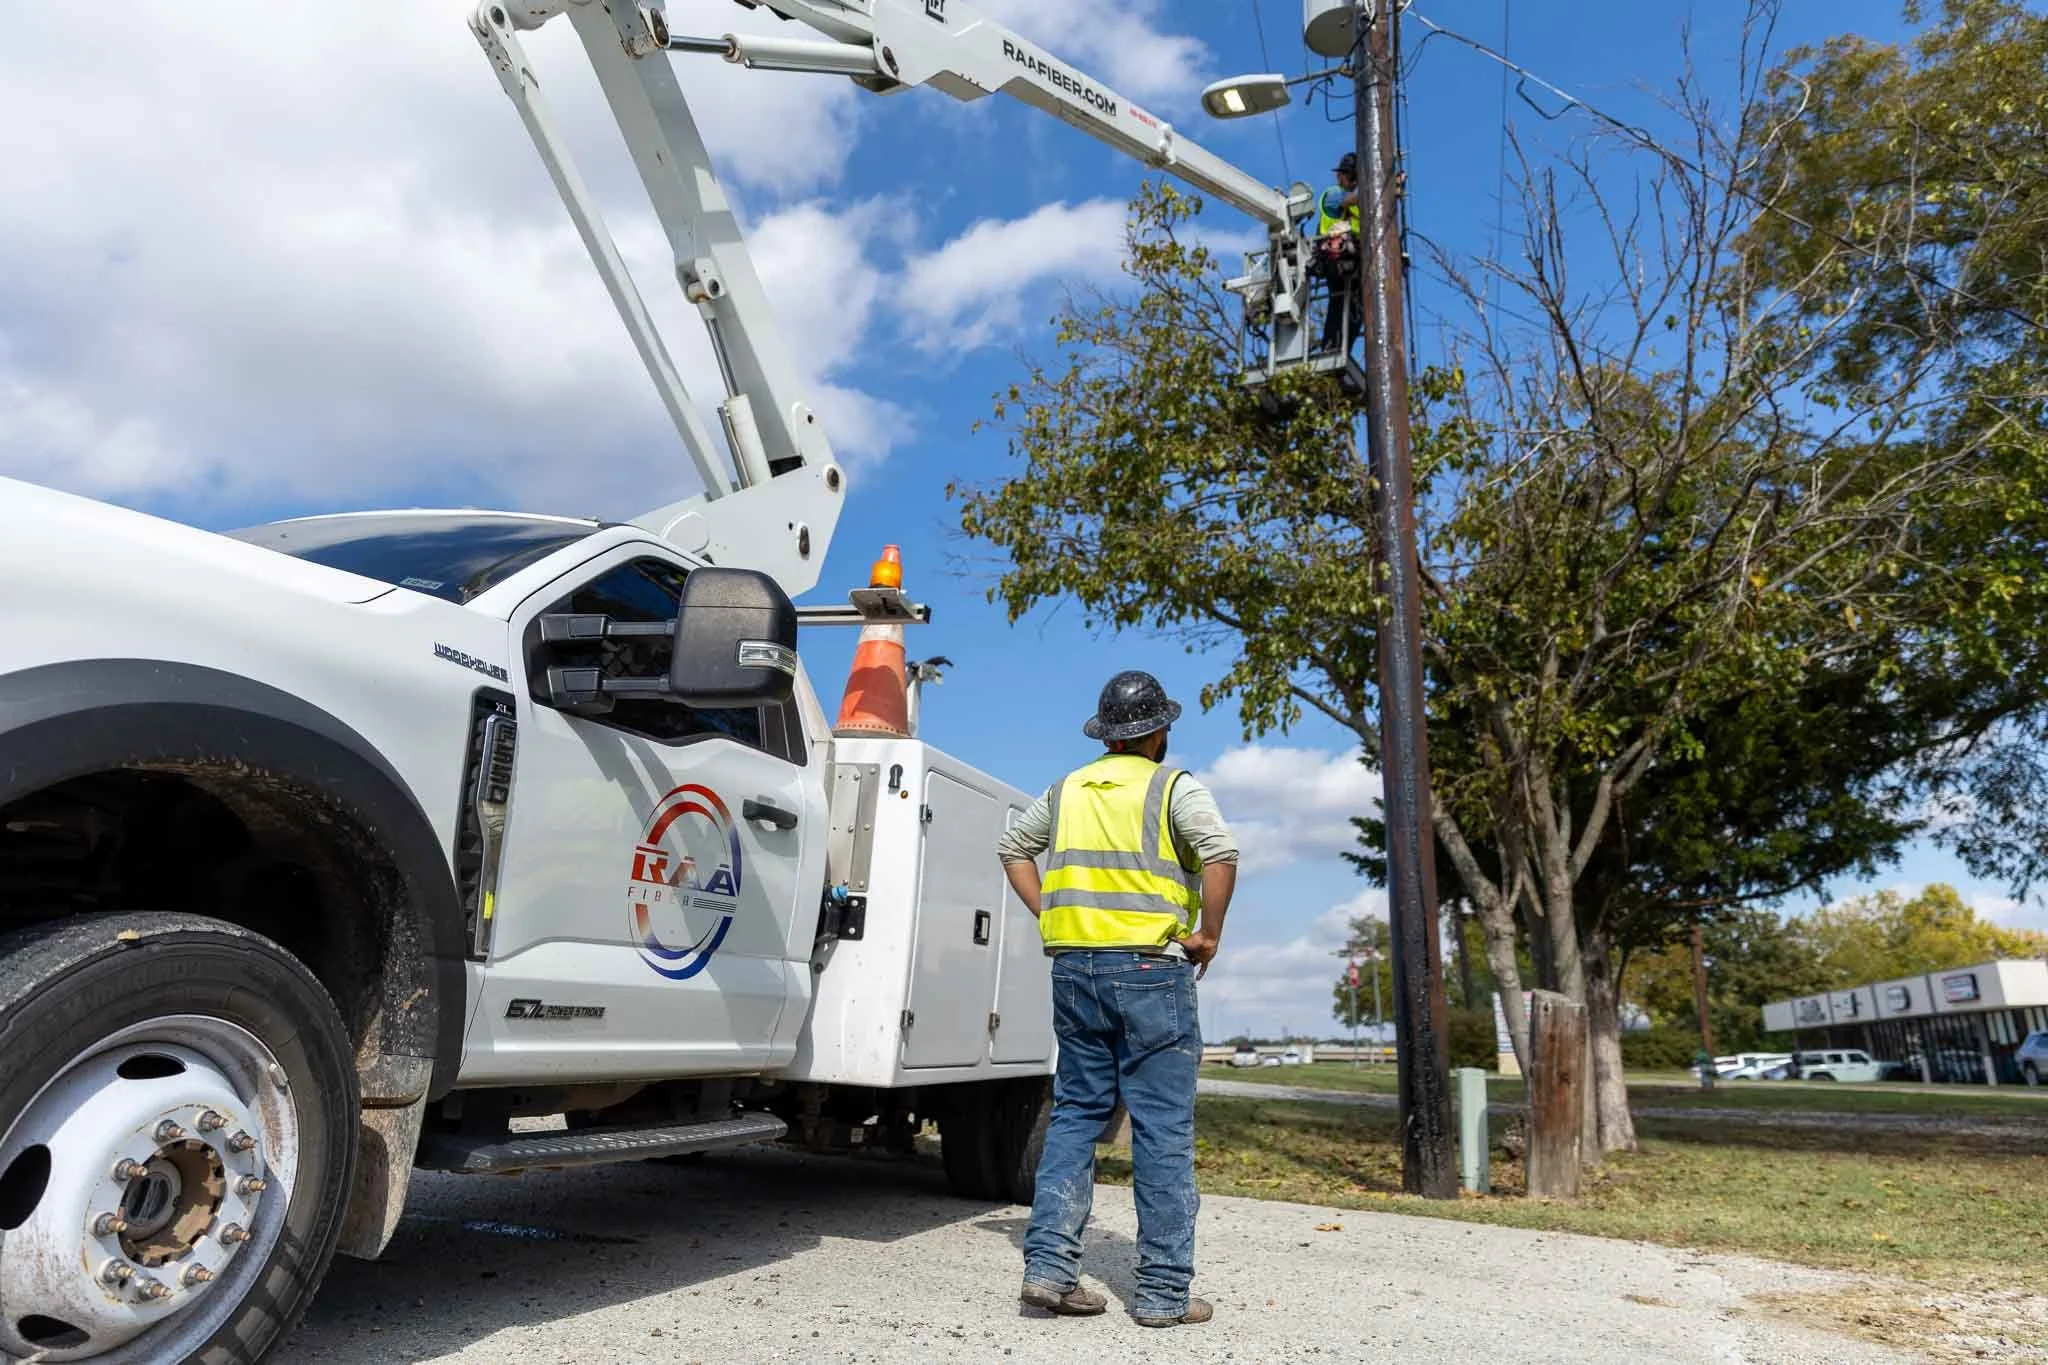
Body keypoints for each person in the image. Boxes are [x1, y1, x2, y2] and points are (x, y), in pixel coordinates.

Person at [995, 669, 1239, 1329]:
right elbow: (1219, 854)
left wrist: (1051, 914)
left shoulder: (1068, 788)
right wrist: (1208, 934)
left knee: (1075, 1116)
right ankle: (1161, 1294)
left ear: (1107, 733)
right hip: (1152, 969)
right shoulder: (1172, 787)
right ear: (1159, 731)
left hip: (1075, 970)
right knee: (1163, 1129)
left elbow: (1013, 847)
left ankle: (1048, 1269)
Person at [1313, 151, 1362, 354]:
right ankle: (1331, 349)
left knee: (1355, 311)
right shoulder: (1334, 194)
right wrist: (1383, 187)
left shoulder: (1362, 201)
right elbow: (1351, 200)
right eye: (1348, 175)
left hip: (1356, 258)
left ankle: (1341, 352)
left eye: (1353, 176)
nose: (1349, 180)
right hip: (1335, 258)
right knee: (1339, 303)